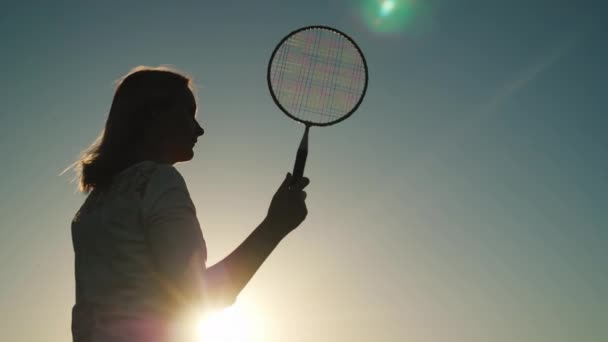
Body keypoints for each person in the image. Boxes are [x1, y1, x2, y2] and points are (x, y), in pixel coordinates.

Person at [65, 66, 310, 342]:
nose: (199, 129)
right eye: (188, 114)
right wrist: (275, 225)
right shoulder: (157, 180)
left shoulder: (93, 207)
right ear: (153, 116)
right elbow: (197, 297)